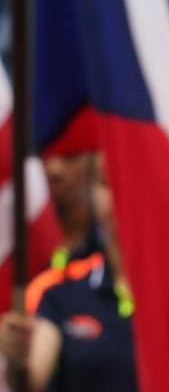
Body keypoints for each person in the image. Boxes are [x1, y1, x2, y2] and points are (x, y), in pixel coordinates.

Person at [0, 157, 134, 392]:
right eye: (105, 182)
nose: (119, 194)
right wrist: (16, 355)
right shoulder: (61, 293)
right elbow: (31, 378)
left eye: (130, 180)